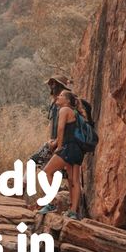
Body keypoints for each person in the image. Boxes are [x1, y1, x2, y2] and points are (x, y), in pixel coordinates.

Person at [38, 90, 89, 219]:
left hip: (68, 148)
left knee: (45, 173)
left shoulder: (64, 110)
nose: (58, 97)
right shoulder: (76, 113)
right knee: (74, 181)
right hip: (78, 150)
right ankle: (73, 212)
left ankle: (51, 203)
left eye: (61, 96)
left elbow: (60, 129)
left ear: (67, 101)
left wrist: (59, 147)